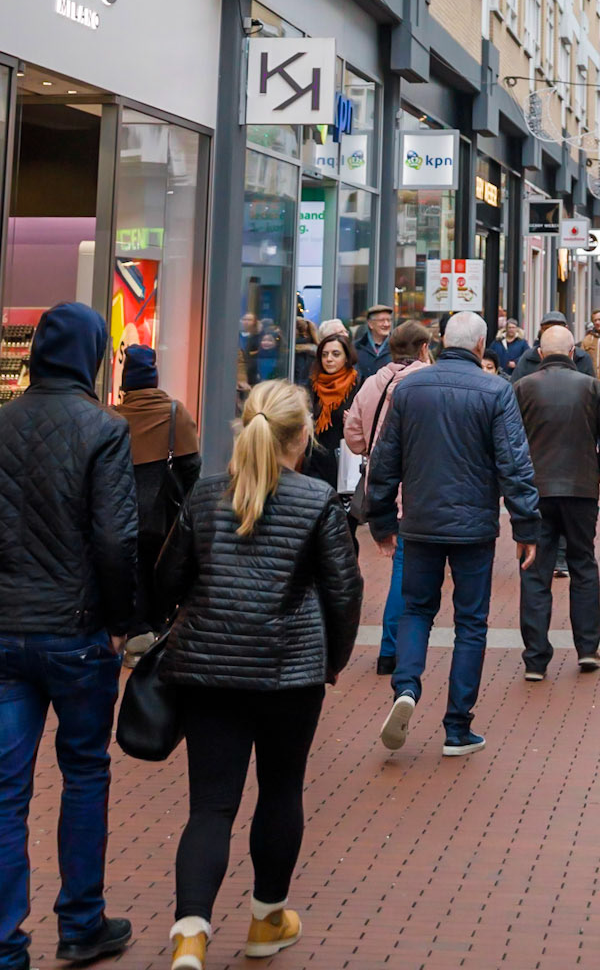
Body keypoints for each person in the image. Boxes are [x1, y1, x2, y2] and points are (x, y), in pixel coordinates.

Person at [158, 380, 361, 969]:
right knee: (279, 792)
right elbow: (343, 592)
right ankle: (266, 921)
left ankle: (190, 936)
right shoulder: (317, 500)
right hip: (288, 673)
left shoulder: (205, 495)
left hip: (208, 671)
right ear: (302, 438)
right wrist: (334, 660)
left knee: (209, 807)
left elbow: (168, 579)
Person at [0, 304, 137, 970]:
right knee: (84, 772)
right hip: (78, 631)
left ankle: (5, 942)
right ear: (93, 354)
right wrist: (122, 623)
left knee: (5, 789)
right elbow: (115, 539)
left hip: (5, 630)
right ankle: (82, 923)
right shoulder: (103, 429)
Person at [367, 310, 539, 757]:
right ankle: (457, 727)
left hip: (420, 522)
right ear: (482, 346)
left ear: (443, 341)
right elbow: (514, 464)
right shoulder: (496, 390)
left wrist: (382, 521)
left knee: (415, 610)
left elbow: (385, 461)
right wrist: (526, 525)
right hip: (473, 528)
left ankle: (406, 686)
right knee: (470, 623)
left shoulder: (409, 389)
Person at [514, 321, 600, 679]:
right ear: (574, 352)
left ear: (541, 354)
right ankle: (587, 647)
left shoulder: (522, 388)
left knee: (535, 571)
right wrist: (593, 472)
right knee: (583, 565)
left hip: (536, 492)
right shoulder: (591, 387)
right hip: (580, 490)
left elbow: (509, 444)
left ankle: (535, 658)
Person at [342, 320, 432, 676]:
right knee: (407, 569)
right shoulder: (428, 380)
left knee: (401, 563)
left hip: (381, 482)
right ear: (423, 348)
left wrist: (372, 445)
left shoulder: (371, 383)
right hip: (418, 484)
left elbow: (353, 438)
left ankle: (390, 650)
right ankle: (394, 648)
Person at [110, 343, 201, 641]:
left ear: (126, 381)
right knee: (162, 570)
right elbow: (192, 469)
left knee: (132, 572)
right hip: (166, 517)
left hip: (122, 516)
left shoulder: (113, 419)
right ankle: (157, 629)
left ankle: (136, 632)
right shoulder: (176, 414)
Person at [302, 330, 360, 492]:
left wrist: (354, 423)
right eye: (324, 355)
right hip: (314, 461)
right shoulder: (312, 385)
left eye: (335, 354)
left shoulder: (358, 385)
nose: (329, 359)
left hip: (343, 462)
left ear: (347, 357)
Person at [510, 317, 595, 383]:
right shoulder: (528, 357)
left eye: (557, 327)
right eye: (547, 328)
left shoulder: (582, 357)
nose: (552, 331)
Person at [353, 305, 393, 385]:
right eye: (382, 320)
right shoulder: (356, 347)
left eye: (389, 320)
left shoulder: (397, 347)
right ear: (370, 324)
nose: (386, 324)